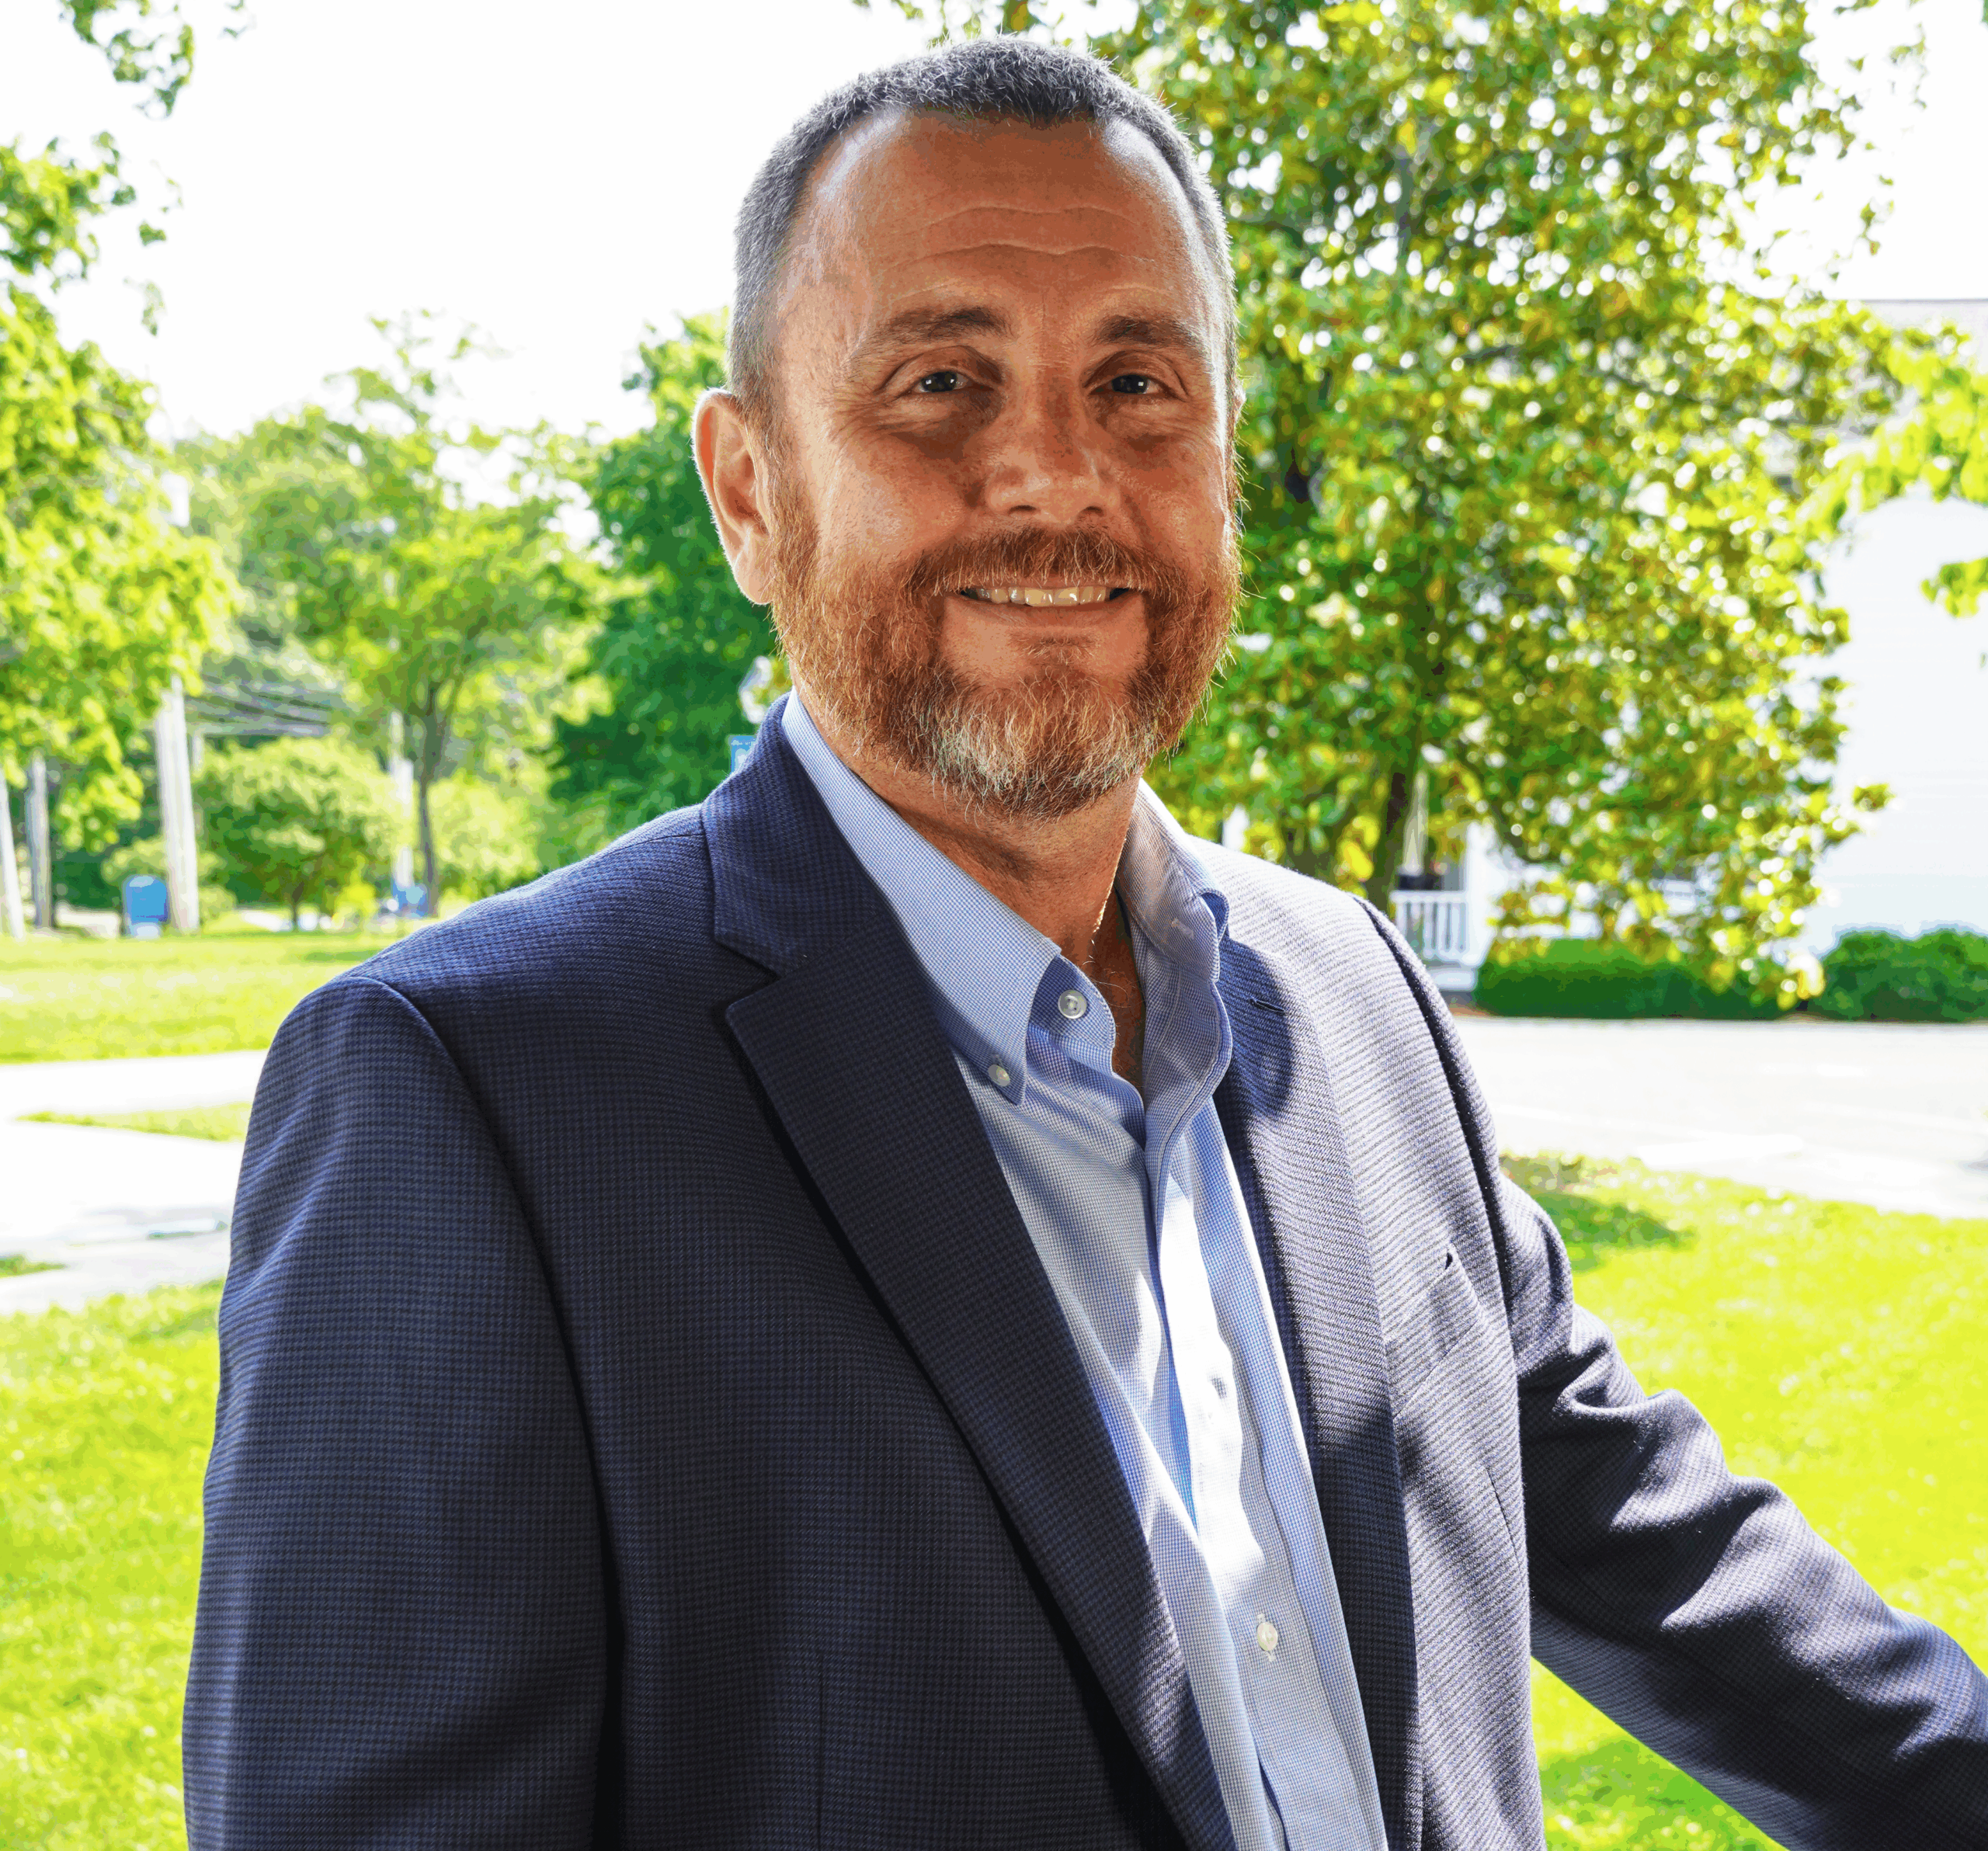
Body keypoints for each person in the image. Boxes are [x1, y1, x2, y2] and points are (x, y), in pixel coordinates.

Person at [184, 36, 1988, 1851]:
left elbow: (1621, 1521)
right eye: (938, 383)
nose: (1056, 481)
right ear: (748, 490)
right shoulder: (476, 1094)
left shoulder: (1350, 994)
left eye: (1137, 381)